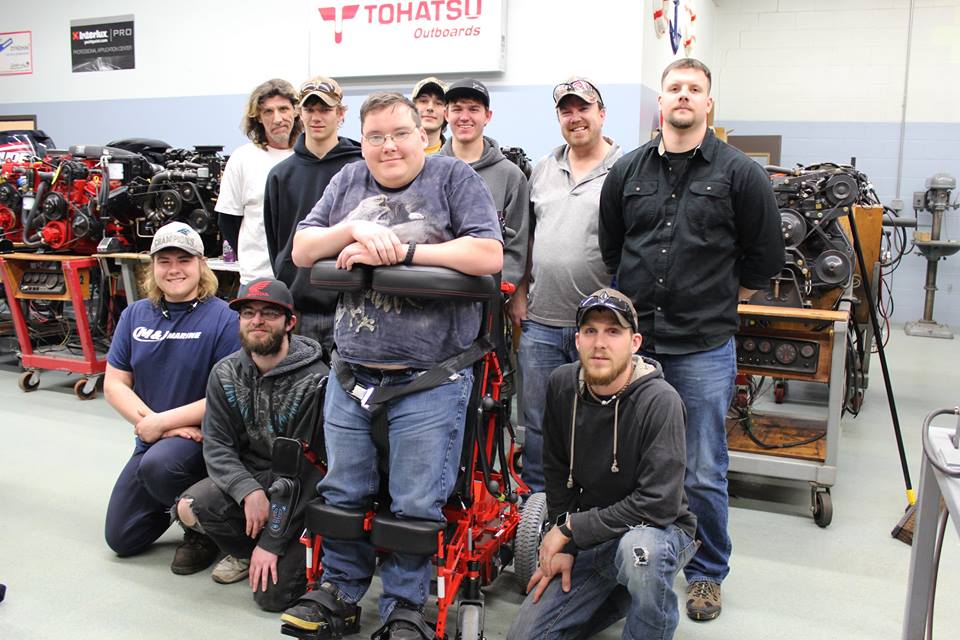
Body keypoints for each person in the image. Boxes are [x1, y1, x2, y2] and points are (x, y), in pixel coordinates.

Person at [282, 92, 502, 639]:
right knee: (342, 492)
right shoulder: (348, 181)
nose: (389, 146)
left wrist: (402, 252)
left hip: (430, 376)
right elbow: (303, 249)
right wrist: (354, 231)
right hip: (353, 371)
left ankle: (405, 606)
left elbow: (487, 255)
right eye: (376, 136)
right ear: (364, 139)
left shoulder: (452, 178)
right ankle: (338, 592)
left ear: (421, 133)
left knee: (414, 502)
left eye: (400, 133)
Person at [598, 58, 784, 621]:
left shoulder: (739, 174)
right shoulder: (627, 172)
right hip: (639, 346)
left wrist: (706, 289)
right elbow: (613, 251)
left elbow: (764, 259)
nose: (683, 96)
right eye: (674, 87)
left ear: (708, 104)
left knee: (702, 466)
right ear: (661, 102)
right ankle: (623, 566)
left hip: (703, 346)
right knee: (624, 461)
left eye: (694, 89)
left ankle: (705, 574)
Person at [507, 288, 697, 640]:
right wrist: (568, 545)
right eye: (591, 331)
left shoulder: (660, 401)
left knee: (641, 553)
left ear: (635, 342)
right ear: (577, 340)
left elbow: (658, 504)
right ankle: (626, 592)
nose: (600, 343)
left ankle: (640, 596)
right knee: (525, 636)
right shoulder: (562, 384)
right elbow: (556, 468)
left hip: (659, 531)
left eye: (613, 331)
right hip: (594, 537)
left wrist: (568, 531)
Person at [173, 278, 328, 610]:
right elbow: (216, 446)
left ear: (290, 322)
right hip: (257, 482)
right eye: (248, 313)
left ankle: (277, 549)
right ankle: (246, 551)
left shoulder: (316, 381)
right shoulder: (224, 373)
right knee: (190, 506)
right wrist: (248, 490)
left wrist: (273, 541)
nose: (257, 321)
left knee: (273, 598)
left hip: (302, 496)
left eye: (269, 313)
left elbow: (310, 473)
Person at [103, 221, 240, 574]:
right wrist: (155, 426)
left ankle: (202, 526)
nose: (174, 269)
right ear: (153, 268)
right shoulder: (135, 314)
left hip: (202, 442)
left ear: (201, 265)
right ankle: (180, 504)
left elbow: (225, 394)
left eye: (184, 259)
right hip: (154, 439)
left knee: (160, 466)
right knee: (123, 538)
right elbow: (114, 383)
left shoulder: (224, 319)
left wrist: (162, 423)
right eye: (165, 261)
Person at [507, 77, 622, 494]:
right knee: (536, 420)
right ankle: (538, 502)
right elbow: (526, 239)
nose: (575, 118)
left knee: (597, 419)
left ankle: (590, 501)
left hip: (598, 327)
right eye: (566, 111)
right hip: (539, 320)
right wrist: (519, 295)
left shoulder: (623, 170)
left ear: (601, 114)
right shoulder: (542, 168)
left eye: (583, 108)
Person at [264, 76, 363, 352]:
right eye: (310, 110)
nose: (317, 117)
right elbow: (277, 244)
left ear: (341, 114)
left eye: (325, 109)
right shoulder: (280, 175)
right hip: (300, 310)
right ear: (299, 113)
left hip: (352, 305)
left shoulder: (361, 169)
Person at [437, 78, 529, 285]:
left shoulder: (511, 176)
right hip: (434, 295)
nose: (464, 117)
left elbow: (517, 245)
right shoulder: (428, 170)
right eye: (457, 109)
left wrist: (498, 289)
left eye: (474, 109)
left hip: (487, 296)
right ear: (446, 114)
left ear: (488, 116)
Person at [217, 78, 301, 284]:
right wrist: (251, 259)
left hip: (304, 280)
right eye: (268, 112)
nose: (278, 118)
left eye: (284, 109)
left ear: (296, 111)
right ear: (258, 119)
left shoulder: (310, 156)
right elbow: (227, 220)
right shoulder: (243, 158)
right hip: (258, 278)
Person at [410, 76, 448, 154]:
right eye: (423, 101)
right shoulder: (396, 153)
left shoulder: (457, 161)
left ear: (447, 112)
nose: (430, 108)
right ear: (412, 107)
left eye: (438, 103)